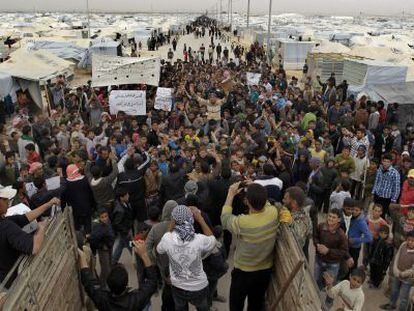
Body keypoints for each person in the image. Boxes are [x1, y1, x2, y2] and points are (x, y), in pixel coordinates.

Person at [221, 182, 279, 311]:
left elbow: (225, 220)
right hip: (264, 270)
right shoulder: (273, 213)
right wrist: (255, 187)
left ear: (247, 202)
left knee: (236, 304)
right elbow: (267, 203)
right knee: (256, 304)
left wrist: (230, 194)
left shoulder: (243, 222)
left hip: (243, 272)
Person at [156, 205, 216, 311]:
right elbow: (212, 240)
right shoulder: (198, 239)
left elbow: (159, 249)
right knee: (203, 307)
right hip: (199, 286)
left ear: (173, 220)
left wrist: (172, 223)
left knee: (180, 308)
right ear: (191, 219)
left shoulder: (167, 239)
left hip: (177, 286)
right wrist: (200, 219)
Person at [0, 185, 60, 287]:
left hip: (5, 281)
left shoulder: (6, 221)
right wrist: (41, 228)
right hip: (19, 282)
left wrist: (48, 204)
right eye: (5, 199)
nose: (7, 202)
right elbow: (34, 247)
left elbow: (25, 217)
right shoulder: (6, 226)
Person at [79, 240, 158, 311]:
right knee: (147, 303)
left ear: (108, 283)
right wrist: (144, 254)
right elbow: (152, 281)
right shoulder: (136, 299)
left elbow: (88, 281)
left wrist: (82, 256)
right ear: (126, 284)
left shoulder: (102, 299)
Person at [380, 230, 414, 311]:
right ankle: (392, 304)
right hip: (397, 274)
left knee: (403, 297)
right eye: (408, 239)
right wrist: (395, 270)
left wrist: (403, 274)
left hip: (408, 278)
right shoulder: (403, 245)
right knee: (394, 291)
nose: (410, 242)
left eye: (413, 241)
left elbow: (413, 269)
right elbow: (397, 257)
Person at [61, 164, 95, 234]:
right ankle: (88, 238)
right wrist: (93, 206)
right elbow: (90, 194)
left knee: (77, 226)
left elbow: (63, 199)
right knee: (88, 224)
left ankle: (80, 240)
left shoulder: (66, 184)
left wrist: (63, 210)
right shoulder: (85, 180)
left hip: (75, 210)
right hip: (86, 207)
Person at [89, 208, 115, 287]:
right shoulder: (97, 227)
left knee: (108, 267)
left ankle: (103, 283)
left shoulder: (108, 223)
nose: (104, 219)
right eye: (102, 217)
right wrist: (101, 246)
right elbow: (93, 239)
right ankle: (104, 286)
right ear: (99, 218)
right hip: (103, 250)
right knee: (105, 269)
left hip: (109, 247)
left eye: (105, 216)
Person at [348, 199, 373, 270]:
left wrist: (355, 240)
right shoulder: (351, 216)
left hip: (354, 247)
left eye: (357, 210)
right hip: (347, 245)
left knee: (352, 266)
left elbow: (369, 237)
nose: (354, 212)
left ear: (361, 211)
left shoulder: (361, 222)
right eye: (353, 209)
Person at [111, 188, 134, 264]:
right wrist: (126, 231)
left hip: (125, 231)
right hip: (125, 232)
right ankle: (136, 260)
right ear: (121, 197)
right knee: (131, 246)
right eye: (126, 196)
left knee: (120, 246)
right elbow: (117, 223)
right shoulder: (120, 210)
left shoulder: (123, 203)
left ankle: (113, 261)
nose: (128, 196)